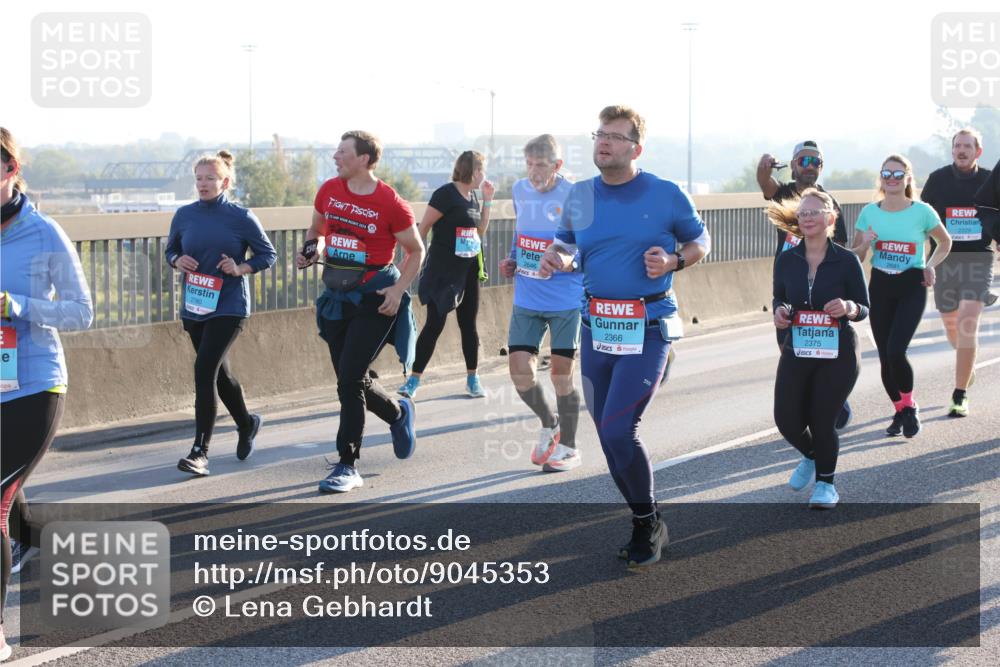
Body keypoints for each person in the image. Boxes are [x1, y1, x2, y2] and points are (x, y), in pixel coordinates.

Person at [540, 106, 710, 566]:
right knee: (609, 435)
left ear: (636, 148)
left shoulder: (665, 193)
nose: (604, 142)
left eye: (615, 136)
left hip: (648, 328)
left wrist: (674, 260)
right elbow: (568, 245)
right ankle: (645, 517)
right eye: (600, 134)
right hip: (596, 330)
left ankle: (646, 522)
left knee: (619, 428)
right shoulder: (580, 196)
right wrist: (559, 259)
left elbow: (701, 242)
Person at [1, 127, 94, 661]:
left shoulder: (43, 233)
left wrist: (18, 305)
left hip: (33, 384)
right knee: (11, 506)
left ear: (11, 170)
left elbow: (82, 313)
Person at [296, 131, 424, 494]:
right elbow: (317, 229)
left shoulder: (391, 202)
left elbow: (416, 251)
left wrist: (398, 291)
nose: (336, 156)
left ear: (365, 159)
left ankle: (347, 464)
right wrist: (309, 248)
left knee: (350, 380)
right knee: (350, 380)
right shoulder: (329, 190)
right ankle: (398, 414)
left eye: (343, 152)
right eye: (336, 150)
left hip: (374, 297)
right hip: (336, 296)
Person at [166, 151, 277, 476]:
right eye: (199, 178)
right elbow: (170, 249)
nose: (203, 184)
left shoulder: (241, 216)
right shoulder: (184, 215)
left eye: (210, 179)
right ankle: (247, 423)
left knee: (204, 370)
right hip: (195, 305)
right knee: (220, 375)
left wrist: (240, 267)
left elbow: (268, 254)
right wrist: (177, 261)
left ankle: (200, 451)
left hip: (229, 307)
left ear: (224, 182)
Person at [770, 189, 870, 509]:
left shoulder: (847, 260)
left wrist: (849, 307)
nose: (808, 217)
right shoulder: (787, 260)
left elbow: (864, 307)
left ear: (830, 218)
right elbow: (779, 297)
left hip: (838, 351)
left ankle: (826, 485)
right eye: (803, 213)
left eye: (815, 212)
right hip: (798, 348)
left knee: (821, 418)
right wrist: (780, 311)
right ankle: (813, 455)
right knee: (786, 418)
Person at [498, 135, 584, 472]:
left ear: (558, 166)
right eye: (529, 164)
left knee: (561, 377)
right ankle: (550, 424)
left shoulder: (576, 196)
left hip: (566, 300)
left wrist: (567, 263)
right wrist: (511, 259)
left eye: (541, 165)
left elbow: (587, 248)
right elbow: (522, 235)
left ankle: (570, 447)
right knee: (520, 373)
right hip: (527, 295)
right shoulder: (520, 190)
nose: (534, 172)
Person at [852, 154, 951, 438]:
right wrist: (864, 244)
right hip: (880, 285)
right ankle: (900, 409)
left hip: (911, 284)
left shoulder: (922, 211)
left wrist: (930, 265)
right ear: (880, 178)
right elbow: (856, 256)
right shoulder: (869, 212)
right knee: (885, 357)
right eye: (887, 174)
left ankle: (909, 405)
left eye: (898, 174)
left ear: (908, 178)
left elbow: (945, 241)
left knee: (897, 350)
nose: (892, 179)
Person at [757, 140, 853, 430]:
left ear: (821, 167)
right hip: (787, 284)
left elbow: (841, 248)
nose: (809, 167)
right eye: (803, 161)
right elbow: (765, 185)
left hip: (821, 285)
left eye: (815, 162)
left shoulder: (829, 202)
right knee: (790, 347)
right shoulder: (784, 193)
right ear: (794, 164)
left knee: (818, 347)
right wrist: (762, 166)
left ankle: (833, 401)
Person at [398, 151, 494, 398]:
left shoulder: (472, 196)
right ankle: (413, 381)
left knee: (468, 326)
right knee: (434, 325)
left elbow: (479, 230)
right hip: (444, 271)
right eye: (482, 170)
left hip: (468, 270)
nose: (484, 175)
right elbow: (423, 228)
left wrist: (487, 202)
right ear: (473, 171)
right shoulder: (445, 194)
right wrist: (408, 259)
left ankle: (473, 379)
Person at [919, 128, 994, 417]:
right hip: (944, 259)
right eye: (957, 146)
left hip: (978, 258)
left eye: (967, 146)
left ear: (978, 151)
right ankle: (967, 365)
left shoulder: (989, 179)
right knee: (951, 325)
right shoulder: (938, 180)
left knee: (967, 323)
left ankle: (959, 394)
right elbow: (922, 217)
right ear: (952, 150)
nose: (961, 150)